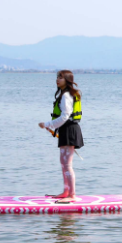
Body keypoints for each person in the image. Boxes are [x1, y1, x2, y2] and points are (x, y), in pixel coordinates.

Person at [38, 70, 84, 202]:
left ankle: (72, 195)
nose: (57, 80)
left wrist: (48, 124)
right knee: (63, 163)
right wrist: (52, 126)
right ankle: (66, 191)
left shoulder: (67, 96)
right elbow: (63, 118)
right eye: (57, 77)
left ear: (67, 80)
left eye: (61, 78)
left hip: (70, 130)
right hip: (66, 130)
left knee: (67, 164)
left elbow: (65, 116)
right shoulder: (65, 94)